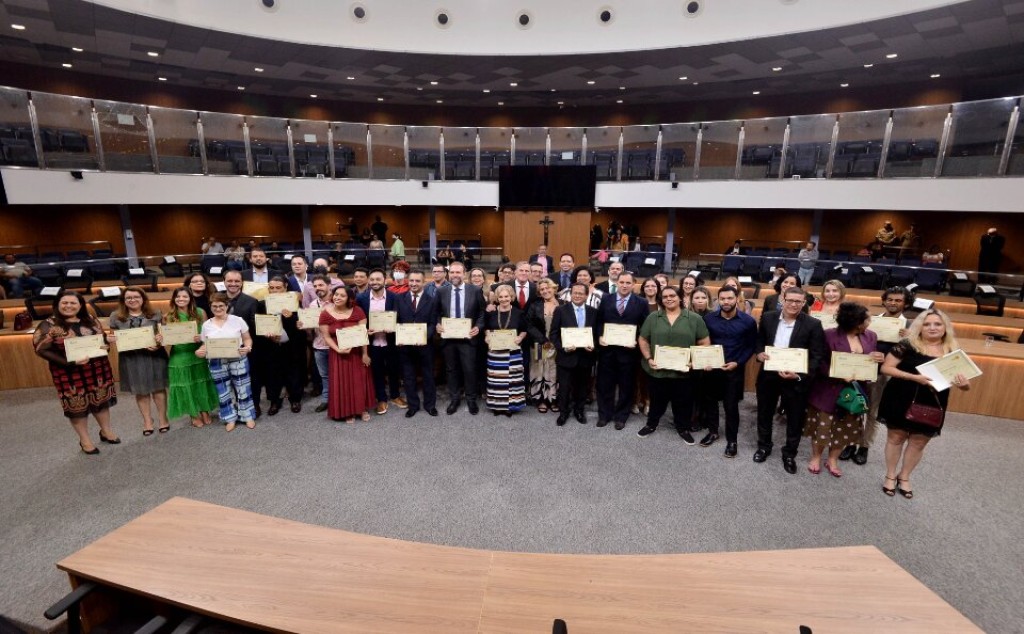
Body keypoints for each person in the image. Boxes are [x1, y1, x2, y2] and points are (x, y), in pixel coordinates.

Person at [877, 309, 972, 498]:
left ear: (945, 327)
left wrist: (964, 385)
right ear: (919, 327)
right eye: (927, 324)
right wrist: (914, 377)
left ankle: (904, 477)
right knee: (896, 438)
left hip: (932, 401)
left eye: (937, 324)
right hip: (900, 396)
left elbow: (965, 384)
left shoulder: (952, 350)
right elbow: (886, 367)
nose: (932, 327)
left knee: (919, 442)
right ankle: (890, 475)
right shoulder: (906, 345)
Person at [32, 290, 118, 454]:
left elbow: (100, 338)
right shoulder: (49, 325)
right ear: (58, 304)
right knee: (77, 407)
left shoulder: (90, 319)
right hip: (68, 373)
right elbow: (40, 349)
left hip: (97, 369)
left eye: (73, 303)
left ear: (80, 305)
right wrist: (69, 362)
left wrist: (107, 342)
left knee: (101, 401)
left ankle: (106, 431)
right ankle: (85, 440)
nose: (69, 306)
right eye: (65, 302)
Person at [753, 286, 827, 474]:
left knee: (795, 418)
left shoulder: (813, 324)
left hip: (796, 378)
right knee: (764, 412)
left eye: (798, 301)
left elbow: (817, 356)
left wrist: (800, 375)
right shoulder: (768, 317)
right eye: (790, 300)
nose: (793, 304)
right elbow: (760, 340)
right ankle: (764, 446)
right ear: (783, 300)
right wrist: (759, 353)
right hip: (769, 375)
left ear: (803, 303)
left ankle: (789, 454)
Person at [804, 302, 884, 477]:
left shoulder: (871, 336)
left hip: (855, 390)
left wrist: (878, 358)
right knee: (822, 425)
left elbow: (871, 361)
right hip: (828, 388)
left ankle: (833, 459)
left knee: (845, 427)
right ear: (855, 321)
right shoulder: (828, 335)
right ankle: (816, 456)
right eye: (867, 318)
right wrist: (837, 374)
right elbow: (819, 361)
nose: (870, 321)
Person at [842, 286, 912, 464]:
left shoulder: (910, 327)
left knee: (872, 413)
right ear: (884, 301)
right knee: (854, 407)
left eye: (898, 300)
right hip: (862, 370)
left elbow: (912, 356)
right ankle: (850, 442)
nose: (893, 303)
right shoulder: (870, 321)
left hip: (883, 376)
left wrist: (910, 339)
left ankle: (864, 446)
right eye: (890, 299)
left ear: (905, 303)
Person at [636, 285, 711, 441]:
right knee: (656, 400)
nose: (669, 299)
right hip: (658, 371)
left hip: (684, 372)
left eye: (672, 296)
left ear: (680, 298)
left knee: (683, 402)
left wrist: (694, 361)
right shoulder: (653, 317)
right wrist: (649, 358)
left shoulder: (694, 318)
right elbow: (643, 339)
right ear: (661, 300)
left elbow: (704, 342)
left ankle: (683, 428)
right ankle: (651, 424)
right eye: (665, 297)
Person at [701, 285, 758, 456]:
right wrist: (703, 360)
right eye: (722, 299)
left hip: (734, 370)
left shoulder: (748, 321)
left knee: (731, 406)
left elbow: (750, 346)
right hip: (712, 368)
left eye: (729, 298)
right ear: (718, 300)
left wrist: (738, 363)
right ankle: (713, 432)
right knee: (710, 403)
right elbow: (703, 342)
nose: (726, 302)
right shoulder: (709, 319)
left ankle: (732, 440)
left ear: (736, 299)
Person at [107, 287, 169, 435]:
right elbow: (113, 336)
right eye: (128, 298)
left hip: (154, 356)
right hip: (131, 358)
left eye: (136, 297)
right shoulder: (115, 316)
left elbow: (163, 335)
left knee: (158, 388)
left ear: (143, 299)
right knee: (140, 390)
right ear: (123, 300)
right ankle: (147, 420)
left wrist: (159, 342)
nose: (132, 300)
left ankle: (162, 418)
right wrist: (111, 339)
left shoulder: (156, 314)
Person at [596, 272, 648, 430]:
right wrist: (599, 337)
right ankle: (604, 415)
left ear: (633, 285)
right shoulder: (606, 299)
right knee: (605, 385)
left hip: (628, 353)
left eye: (628, 283)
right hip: (607, 351)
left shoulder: (641, 302)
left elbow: (645, 327)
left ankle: (621, 416)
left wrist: (636, 341)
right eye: (622, 282)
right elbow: (599, 321)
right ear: (616, 283)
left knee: (627, 386)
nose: (624, 285)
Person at [197, 292, 255, 431]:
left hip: (238, 358)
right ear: (210, 306)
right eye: (214, 306)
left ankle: (247, 416)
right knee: (223, 390)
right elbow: (206, 344)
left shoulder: (237, 320)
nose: (218, 309)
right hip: (216, 361)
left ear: (227, 306)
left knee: (243, 388)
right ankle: (229, 417)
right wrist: (200, 350)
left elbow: (247, 338)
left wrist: (248, 347)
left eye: (221, 305)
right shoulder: (206, 325)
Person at [436, 261, 487, 415]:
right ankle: (455, 398)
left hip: (468, 338)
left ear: (464, 274)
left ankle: (471, 399)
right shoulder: (441, 291)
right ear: (448, 274)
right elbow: (436, 313)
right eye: (452, 272)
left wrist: (478, 326)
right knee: (451, 370)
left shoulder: (475, 290)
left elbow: (482, 313)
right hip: (448, 338)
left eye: (458, 272)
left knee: (469, 369)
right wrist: (438, 324)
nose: (455, 275)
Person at [319, 285, 375, 423]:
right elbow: (326, 337)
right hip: (338, 354)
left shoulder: (358, 311)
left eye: (342, 296)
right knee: (342, 383)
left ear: (349, 299)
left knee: (358, 382)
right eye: (336, 294)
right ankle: (346, 411)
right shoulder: (325, 313)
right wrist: (338, 350)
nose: (337, 297)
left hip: (356, 353)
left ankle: (361, 409)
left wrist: (365, 354)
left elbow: (363, 334)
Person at [163, 287, 218, 428]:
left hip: (198, 352)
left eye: (185, 296)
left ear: (190, 298)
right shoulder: (168, 316)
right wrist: (162, 338)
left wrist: (201, 337)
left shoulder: (200, 312)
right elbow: (167, 340)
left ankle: (205, 410)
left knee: (201, 383)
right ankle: (194, 414)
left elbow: (209, 333)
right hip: (179, 355)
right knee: (186, 385)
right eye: (178, 296)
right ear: (173, 299)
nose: (181, 299)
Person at [357, 268, 406, 414]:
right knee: (376, 371)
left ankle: (395, 396)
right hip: (372, 343)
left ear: (385, 280)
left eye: (378, 279)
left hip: (391, 341)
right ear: (368, 281)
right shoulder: (361, 299)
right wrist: (365, 330)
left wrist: (394, 328)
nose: (374, 282)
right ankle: (381, 399)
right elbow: (358, 321)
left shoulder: (395, 297)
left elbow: (401, 318)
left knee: (394, 370)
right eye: (372, 280)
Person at [550, 283, 598, 425]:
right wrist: (563, 347)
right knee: (564, 387)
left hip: (585, 357)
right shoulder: (560, 310)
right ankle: (563, 413)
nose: (577, 296)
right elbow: (553, 334)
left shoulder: (593, 312)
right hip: (566, 357)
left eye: (580, 293)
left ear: (586, 295)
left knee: (582, 387)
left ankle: (579, 410)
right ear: (571, 294)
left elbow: (597, 333)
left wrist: (593, 345)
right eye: (575, 293)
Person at [395, 269, 438, 417]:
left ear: (423, 282)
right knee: (408, 376)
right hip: (405, 346)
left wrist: (425, 337)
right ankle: (413, 406)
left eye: (417, 281)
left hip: (425, 346)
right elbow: (396, 321)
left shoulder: (431, 300)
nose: (414, 284)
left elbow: (433, 323)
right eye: (411, 281)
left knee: (428, 376)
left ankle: (430, 405)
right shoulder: (399, 298)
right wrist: (398, 337)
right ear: (408, 281)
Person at [260, 276, 306, 414]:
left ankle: (295, 399)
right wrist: (267, 335)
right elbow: (259, 324)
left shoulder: (294, 303)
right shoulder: (262, 304)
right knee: (273, 374)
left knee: (294, 372)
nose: (275, 290)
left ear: (285, 287)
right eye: (272, 288)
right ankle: (274, 401)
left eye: (278, 287)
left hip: (292, 345)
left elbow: (301, 325)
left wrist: (291, 317)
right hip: (271, 345)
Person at [484, 285, 529, 416]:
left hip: (513, 352)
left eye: (506, 296)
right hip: (495, 353)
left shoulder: (518, 313)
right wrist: (487, 336)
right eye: (501, 297)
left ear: (511, 297)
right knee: (496, 380)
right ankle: (497, 406)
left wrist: (520, 338)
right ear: (497, 298)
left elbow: (524, 330)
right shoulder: (491, 312)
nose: (504, 299)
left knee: (512, 380)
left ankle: (511, 406)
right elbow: (486, 327)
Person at [524, 278, 561, 413]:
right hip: (539, 343)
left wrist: (555, 342)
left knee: (553, 371)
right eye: (542, 290)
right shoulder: (535, 305)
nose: (545, 291)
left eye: (547, 288)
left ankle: (553, 399)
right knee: (539, 370)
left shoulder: (563, 303)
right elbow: (529, 324)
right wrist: (543, 340)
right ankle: (540, 400)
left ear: (553, 288)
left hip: (557, 345)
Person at [303, 275, 332, 413]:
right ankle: (326, 400)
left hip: (335, 346)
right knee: (324, 376)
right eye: (315, 286)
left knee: (338, 374)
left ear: (329, 285)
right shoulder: (313, 304)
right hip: (319, 346)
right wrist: (303, 324)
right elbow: (311, 326)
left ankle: (339, 399)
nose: (317, 288)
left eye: (321, 285)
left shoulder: (336, 301)